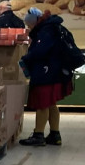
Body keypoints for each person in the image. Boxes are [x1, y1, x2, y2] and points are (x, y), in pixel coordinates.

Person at [19, 8, 75, 147]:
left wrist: (26, 58)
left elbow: (40, 51)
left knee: (42, 103)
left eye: (29, 25)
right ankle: (55, 135)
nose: (29, 28)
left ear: (35, 21)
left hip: (47, 72)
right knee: (51, 103)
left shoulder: (46, 31)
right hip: (55, 72)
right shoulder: (52, 27)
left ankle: (38, 135)